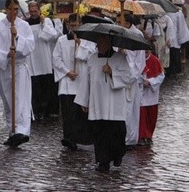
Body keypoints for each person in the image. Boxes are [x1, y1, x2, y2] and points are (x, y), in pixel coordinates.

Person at [74, 34, 135, 173]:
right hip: (98, 103)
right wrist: (85, 100)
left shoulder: (120, 58)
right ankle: (103, 162)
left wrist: (112, 72)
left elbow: (129, 77)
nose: (98, 45)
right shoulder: (93, 58)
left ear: (108, 43)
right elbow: (86, 80)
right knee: (100, 133)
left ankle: (117, 154)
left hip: (115, 104)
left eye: (101, 42)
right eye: (98, 42)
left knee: (116, 133)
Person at [0, 0, 35, 147]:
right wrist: (6, 54)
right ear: (6, 9)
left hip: (20, 67)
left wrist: (17, 37)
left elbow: (30, 46)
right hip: (5, 68)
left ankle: (22, 131)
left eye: (16, 9)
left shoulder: (24, 26)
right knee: (9, 102)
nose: (14, 12)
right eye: (11, 9)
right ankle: (12, 131)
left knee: (20, 100)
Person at [52, 13, 95, 150]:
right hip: (67, 80)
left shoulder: (87, 40)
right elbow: (56, 58)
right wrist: (66, 71)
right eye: (71, 25)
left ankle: (81, 138)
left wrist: (80, 44)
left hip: (81, 79)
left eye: (76, 25)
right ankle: (69, 138)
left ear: (81, 25)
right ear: (67, 25)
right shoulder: (61, 40)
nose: (73, 28)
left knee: (80, 112)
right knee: (68, 111)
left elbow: (90, 56)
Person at [117, 13, 145, 149]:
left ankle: (130, 138)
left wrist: (131, 77)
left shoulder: (137, 35)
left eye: (120, 21)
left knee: (130, 111)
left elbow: (139, 61)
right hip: (118, 76)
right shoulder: (117, 33)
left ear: (128, 23)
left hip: (131, 78)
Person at [26, 1, 58, 121]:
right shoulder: (26, 23)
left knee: (46, 87)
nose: (33, 13)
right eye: (31, 11)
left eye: (35, 11)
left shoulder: (47, 21)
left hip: (44, 59)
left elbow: (53, 36)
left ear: (40, 10)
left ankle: (48, 111)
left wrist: (44, 23)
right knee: (35, 88)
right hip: (32, 59)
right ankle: (37, 111)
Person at [138, 49, 165, 145]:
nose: (145, 55)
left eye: (147, 52)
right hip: (139, 94)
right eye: (143, 52)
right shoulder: (137, 60)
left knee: (151, 118)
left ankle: (149, 136)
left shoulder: (154, 60)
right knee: (141, 117)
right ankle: (142, 136)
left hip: (151, 96)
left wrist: (150, 82)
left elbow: (161, 76)